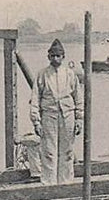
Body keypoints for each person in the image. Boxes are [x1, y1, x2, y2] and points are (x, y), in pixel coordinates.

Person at [30, 39, 84, 185]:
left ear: (63, 57)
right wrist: (36, 121)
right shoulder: (42, 75)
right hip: (49, 116)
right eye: (52, 56)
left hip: (68, 116)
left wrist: (79, 119)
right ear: (48, 57)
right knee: (48, 152)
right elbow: (35, 99)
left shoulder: (70, 75)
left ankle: (66, 183)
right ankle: (49, 184)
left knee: (67, 152)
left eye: (58, 56)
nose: (55, 58)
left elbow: (78, 98)